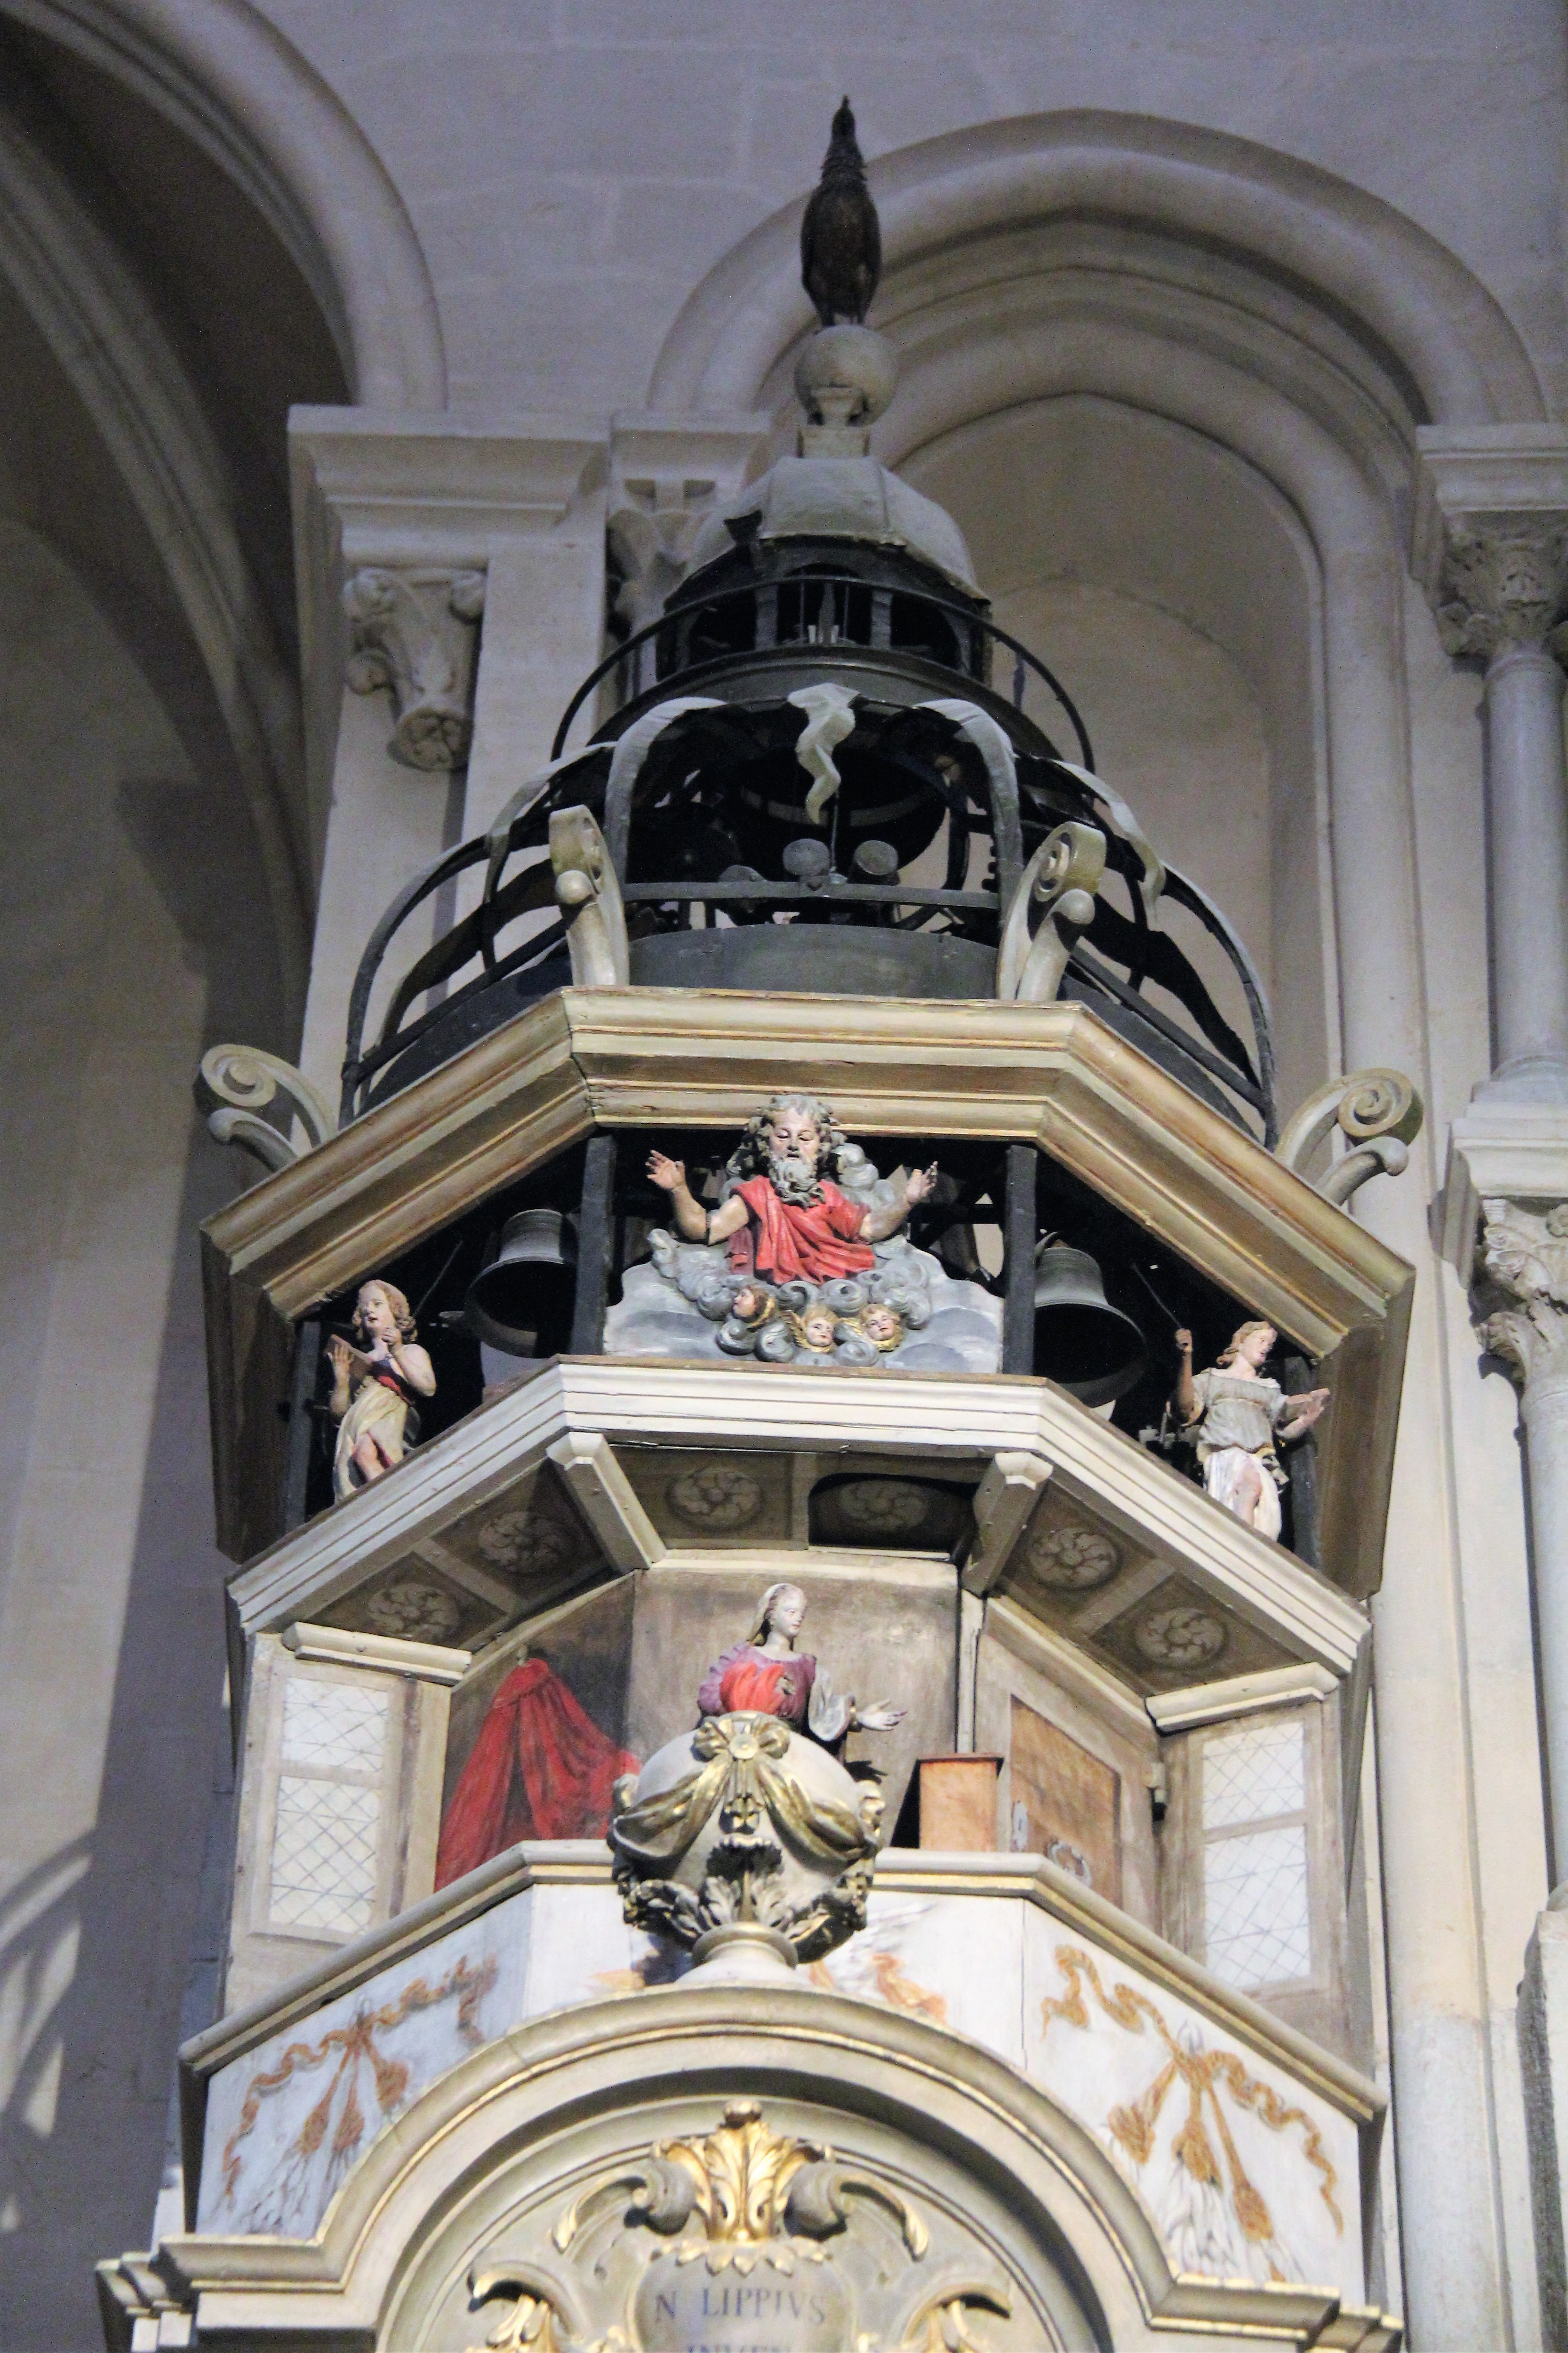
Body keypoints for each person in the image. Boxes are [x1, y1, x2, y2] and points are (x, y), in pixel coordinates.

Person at [647, 1093, 935, 1288]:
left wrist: (907, 1201)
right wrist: (679, 1190)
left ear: (820, 1148)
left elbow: (870, 1229)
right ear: (767, 1143)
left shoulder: (828, 1195)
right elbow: (703, 1229)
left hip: (839, 1286)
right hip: (776, 1292)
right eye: (783, 1136)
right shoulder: (756, 1194)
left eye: (805, 1138)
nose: (794, 1146)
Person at [1170, 1320, 1329, 1540]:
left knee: (1266, 1525)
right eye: (1261, 1340)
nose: (1266, 1348)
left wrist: (1306, 1419)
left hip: (1259, 1459)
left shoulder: (1269, 1388)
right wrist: (1186, 1358)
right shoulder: (1213, 1378)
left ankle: (1244, 1545)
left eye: (1270, 1345)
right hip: (1226, 1454)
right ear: (1242, 1342)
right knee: (1250, 1487)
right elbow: (1184, 1408)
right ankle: (1242, 1543)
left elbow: (1284, 1432)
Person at [696, 1581, 904, 1746]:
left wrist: (858, 1718)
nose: (798, 1619)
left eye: (802, 1614)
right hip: (735, 1739)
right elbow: (709, 1697)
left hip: (787, 1747)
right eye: (791, 1612)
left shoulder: (809, 1667)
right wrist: (761, 1688)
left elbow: (823, 1716)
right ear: (771, 1616)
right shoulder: (742, 1654)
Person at [326, 1279, 437, 1499]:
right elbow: (339, 1414)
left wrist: (398, 1351)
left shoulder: (411, 1351)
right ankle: (378, 1498)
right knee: (358, 1462)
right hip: (357, 1422)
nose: (369, 1310)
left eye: (377, 1304)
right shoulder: (361, 1361)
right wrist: (341, 1380)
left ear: (395, 1312)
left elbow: (428, 1388)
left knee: (366, 1452)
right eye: (364, 1308)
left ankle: (391, 1498)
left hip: (387, 1413)